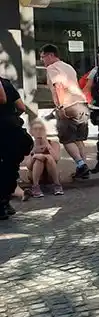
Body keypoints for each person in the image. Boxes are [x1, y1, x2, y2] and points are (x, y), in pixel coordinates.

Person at [40, 44, 90, 179]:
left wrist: (61, 106)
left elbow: (58, 86)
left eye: (43, 57)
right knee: (79, 139)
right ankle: (83, 167)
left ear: (51, 55)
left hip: (68, 105)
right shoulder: (68, 66)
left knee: (67, 139)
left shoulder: (52, 68)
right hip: (81, 104)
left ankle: (81, 165)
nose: (42, 61)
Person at [0, 76, 32, 219]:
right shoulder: (6, 83)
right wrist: (11, 116)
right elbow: (21, 107)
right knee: (10, 168)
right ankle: (5, 202)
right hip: (12, 131)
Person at [23, 120, 63, 198]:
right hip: (35, 175)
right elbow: (28, 165)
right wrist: (35, 154)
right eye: (35, 129)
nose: (38, 131)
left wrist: (47, 144)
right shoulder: (28, 145)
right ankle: (35, 186)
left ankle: (57, 185)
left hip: (50, 174)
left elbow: (56, 159)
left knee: (49, 158)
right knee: (39, 159)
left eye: (41, 129)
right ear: (31, 132)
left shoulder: (54, 144)